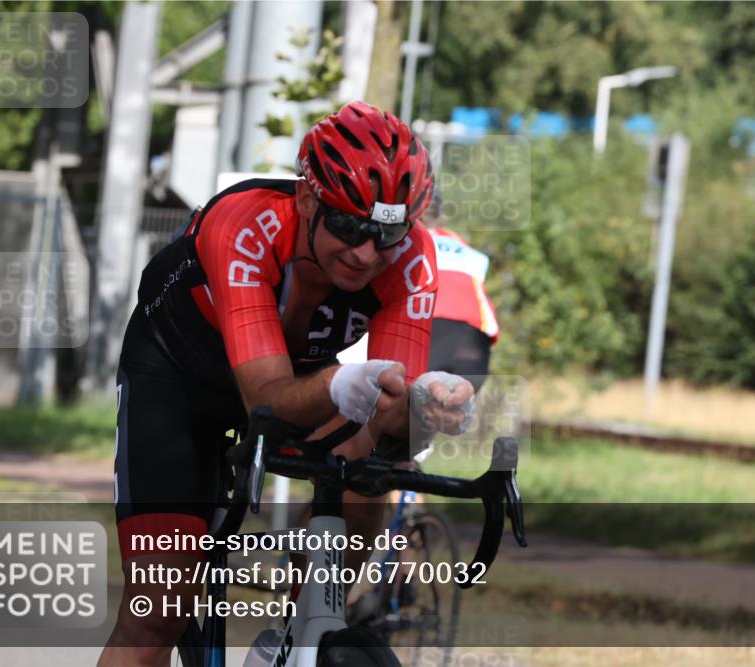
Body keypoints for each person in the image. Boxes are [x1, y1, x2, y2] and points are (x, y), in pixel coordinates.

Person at [99, 101, 474, 667]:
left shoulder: (411, 258)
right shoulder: (245, 223)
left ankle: (300, 630)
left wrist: (425, 407)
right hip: (177, 377)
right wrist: (353, 386)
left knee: (367, 469)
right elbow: (266, 398)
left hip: (288, 369)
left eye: (387, 233)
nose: (367, 252)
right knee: (157, 611)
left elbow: (394, 415)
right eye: (349, 225)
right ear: (307, 198)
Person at [424, 191, 499, 391]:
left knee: (411, 410)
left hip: (434, 322)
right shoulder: (459, 242)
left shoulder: (413, 239)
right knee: (455, 413)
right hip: (477, 330)